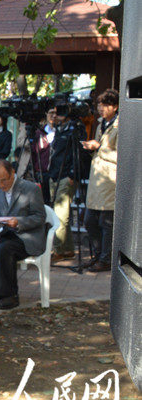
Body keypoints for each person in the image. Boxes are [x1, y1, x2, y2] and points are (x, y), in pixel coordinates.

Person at [0, 159, 46, 310]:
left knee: (5, 248)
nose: (1, 185)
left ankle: (10, 295)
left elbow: (39, 217)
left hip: (28, 236)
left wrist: (19, 222)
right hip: (8, 233)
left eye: (4, 180)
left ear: (13, 174)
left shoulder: (30, 188)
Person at [81, 88, 119, 272]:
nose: (101, 109)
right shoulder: (99, 125)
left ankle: (105, 259)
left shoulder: (121, 126)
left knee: (106, 223)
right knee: (89, 221)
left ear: (115, 106)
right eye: (99, 105)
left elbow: (122, 156)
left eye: (106, 105)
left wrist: (99, 148)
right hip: (96, 181)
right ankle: (97, 255)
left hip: (110, 181)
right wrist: (91, 148)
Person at [47, 108, 82, 263]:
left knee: (60, 214)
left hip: (67, 175)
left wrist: (73, 174)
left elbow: (78, 152)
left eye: (58, 113)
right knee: (62, 214)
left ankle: (58, 250)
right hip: (55, 174)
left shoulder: (76, 129)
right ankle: (67, 249)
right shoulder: (58, 130)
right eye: (53, 113)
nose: (55, 116)